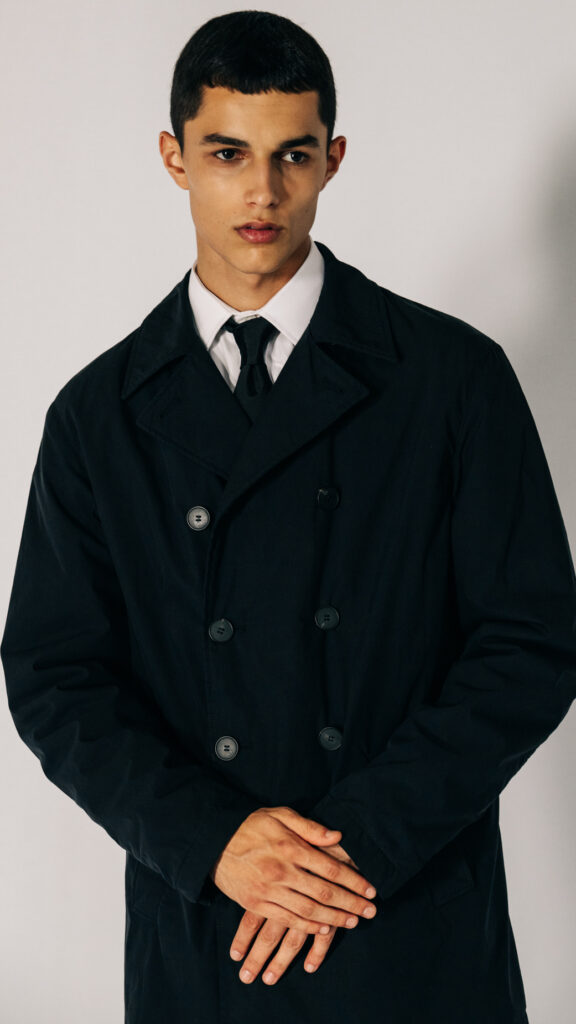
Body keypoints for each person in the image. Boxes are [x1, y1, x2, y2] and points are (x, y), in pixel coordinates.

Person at [2, 9, 575, 1024]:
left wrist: (354, 847)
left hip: (407, 918)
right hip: (210, 926)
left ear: (332, 159)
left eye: (292, 155)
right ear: (175, 157)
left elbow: (532, 640)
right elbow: (55, 675)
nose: (262, 192)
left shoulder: (452, 379)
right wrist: (213, 841)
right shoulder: (98, 415)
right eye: (228, 154)